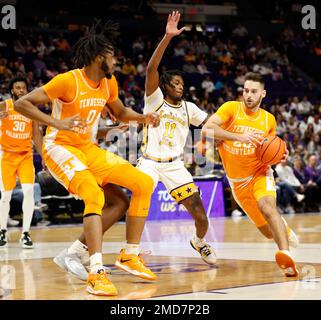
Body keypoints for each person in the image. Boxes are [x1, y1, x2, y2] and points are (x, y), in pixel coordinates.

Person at [14, 21, 160, 296]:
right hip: (59, 148)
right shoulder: (68, 81)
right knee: (94, 194)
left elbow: (119, 112)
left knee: (142, 184)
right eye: (112, 55)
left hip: (88, 148)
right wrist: (57, 123)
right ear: (99, 57)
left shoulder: (108, 82)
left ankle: (129, 254)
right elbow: (23, 103)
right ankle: (96, 271)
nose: (116, 60)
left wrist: (144, 118)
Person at [136, 11, 216, 264]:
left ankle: (199, 242)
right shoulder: (154, 100)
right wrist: (168, 37)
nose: (181, 86)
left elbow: (211, 124)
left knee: (201, 216)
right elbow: (151, 68)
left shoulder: (189, 108)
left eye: (182, 84)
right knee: (138, 204)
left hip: (175, 165)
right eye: (176, 83)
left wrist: (234, 133)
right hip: (149, 162)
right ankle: (131, 250)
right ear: (165, 86)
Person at [201, 72, 299, 277]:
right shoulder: (231, 108)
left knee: (268, 207)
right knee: (266, 231)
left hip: (259, 173)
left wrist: (280, 155)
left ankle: (286, 257)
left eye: (254, 91)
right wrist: (239, 137)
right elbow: (207, 129)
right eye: (246, 90)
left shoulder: (268, 120)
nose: (248, 95)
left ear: (262, 93)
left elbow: (269, 151)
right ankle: (285, 230)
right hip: (238, 183)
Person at [0, 77, 43, 249]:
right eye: (17, 88)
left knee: (29, 192)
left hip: (25, 156)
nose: (21, 90)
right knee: (5, 196)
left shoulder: (31, 109)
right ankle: (2, 230)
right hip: (7, 156)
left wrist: (44, 156)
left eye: (23, 88)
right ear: (12, 90)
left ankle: (25, 233)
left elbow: (36, 135)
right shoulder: (6, 105)